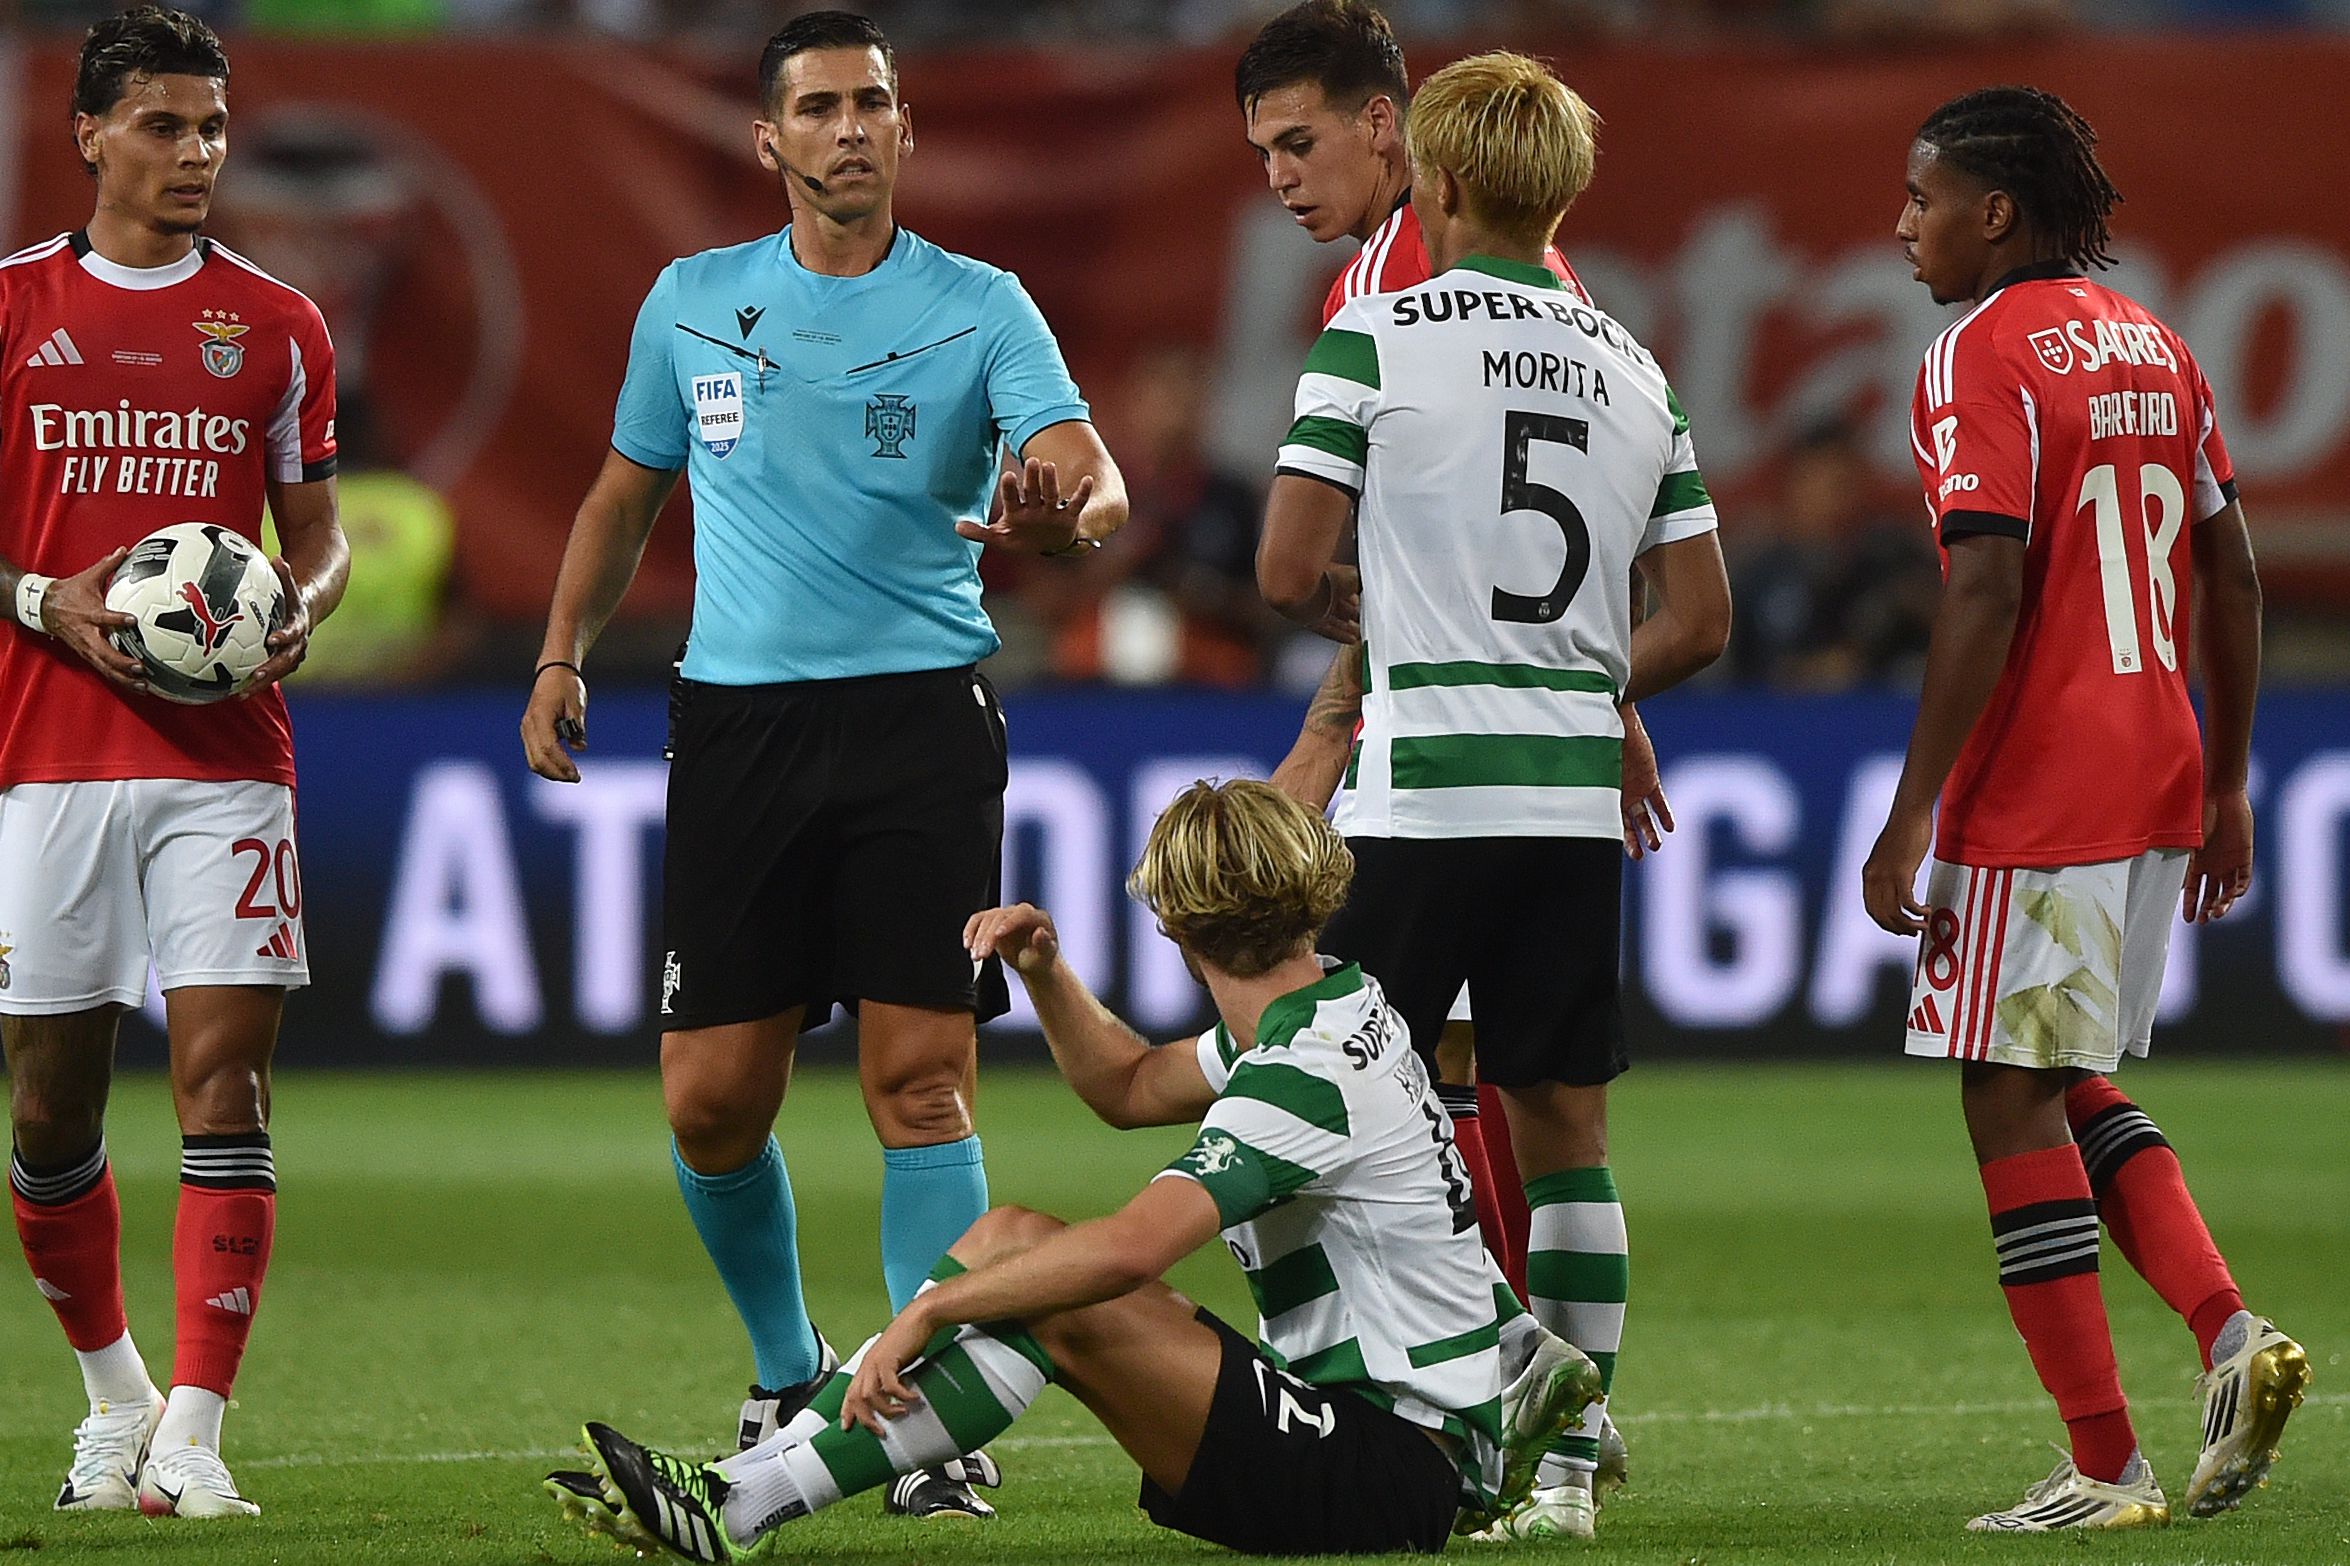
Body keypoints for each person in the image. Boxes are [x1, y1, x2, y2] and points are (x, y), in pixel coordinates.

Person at [517, 9, 1127, 1523]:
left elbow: (1085, 463)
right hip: (737, 730)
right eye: (819, 107)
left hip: (919, 720)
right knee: (711, 1100)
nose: (849, 128)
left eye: (872, 103)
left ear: (907, 129)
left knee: (919, 1086)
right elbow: (618, 495)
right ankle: (791, 1366)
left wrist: (1075, 509)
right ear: (767, 139)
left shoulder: (981, 305)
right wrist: (559, 652)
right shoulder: (692, 300)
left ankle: (920, 1414)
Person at [548, 778, 1598, 1563]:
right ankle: (734, 1497)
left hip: (1384, 1471)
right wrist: (1046, 975)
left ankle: (740, 1507)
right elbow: (1130, 1086)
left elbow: (1130, 1248)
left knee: (1060, 1291)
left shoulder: (1302, 1078)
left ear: (1176, 927)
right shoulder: (1336, 1007)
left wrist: (928, 1311)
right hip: (1388, 1436)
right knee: (1016, 1241)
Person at [1256, 51, 1732, 1542]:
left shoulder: (1374, 340)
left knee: (1319, 1110)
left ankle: (1453, 1385)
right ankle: (1572, 1473)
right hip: (1570, 807)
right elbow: (1703, 617)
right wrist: (1586, 686)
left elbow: (1283, 572)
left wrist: (1402, 619)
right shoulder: (1633, 363)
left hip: (1417, 797)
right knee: (1560, 1126)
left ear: (1439, 180)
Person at [1861, 85, 2306, 1532]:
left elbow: (1983, 580)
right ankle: (2228, 1333)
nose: (1903, 223)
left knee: (2002, 1090)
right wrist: (2226, 772)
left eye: (1922, 197)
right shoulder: (2158, 344)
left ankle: (2105, 1462)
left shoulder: (1973, 353)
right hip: (2156, 764)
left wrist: (1911, 805)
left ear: (1993, 211)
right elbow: (2229, 573)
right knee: (2056, 1069)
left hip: (2041, 780)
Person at [0, 5, 347, 1519]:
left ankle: (196, 1438)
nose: (196, 152)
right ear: (86, 133)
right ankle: (117, 1397)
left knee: (228, 1084)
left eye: (211, 125)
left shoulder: (278, 325)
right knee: (46, 1115)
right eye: (162, 124)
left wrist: (299, 610)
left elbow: (319, 538)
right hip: (47, 756)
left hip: (226, 759)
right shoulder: (11, 307)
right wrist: (42, 598)